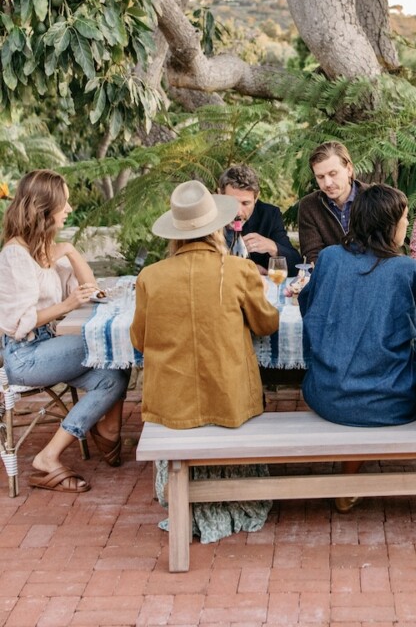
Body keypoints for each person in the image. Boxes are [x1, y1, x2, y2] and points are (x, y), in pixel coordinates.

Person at [0, 170, 129, 493]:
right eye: (65, 203)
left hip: (49, 348)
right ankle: (102, 436)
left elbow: (90, 288)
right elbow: (18, 322)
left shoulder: (44, 247)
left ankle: (52, 454)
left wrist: (70, 250)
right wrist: (68, 304)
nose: (69, 208)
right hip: (24, 355)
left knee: (114, 373)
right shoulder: (16, 254)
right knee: (114, 349)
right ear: (44, 208)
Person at [299, 183, 416, 512]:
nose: (406, 226)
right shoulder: (406, 268)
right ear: (389, 224)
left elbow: (308, 308)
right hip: (392, 401)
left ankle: (350, 478)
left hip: (328, 395)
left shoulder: (328, 259)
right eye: (404, 220)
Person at [130, 180, 279, 429]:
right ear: (217, 228)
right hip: (230, 401)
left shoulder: (149, 275)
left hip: (171, 405)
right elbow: (266, 325)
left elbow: (139, 340)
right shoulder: (240, 269)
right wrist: (258, 294)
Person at [218, 164, 302, 276]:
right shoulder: (205, 216)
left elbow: (296, 266)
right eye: (232, 202)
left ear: (256, 197)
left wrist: (273, 247)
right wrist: (247, 269)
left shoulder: (269, 216)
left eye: (245, 203)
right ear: (220, 194)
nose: (238, 212)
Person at [297, 141, 363, 264]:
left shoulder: (375, 198)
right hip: (330, 280)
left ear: (349, 169)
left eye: (333, 174)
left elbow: (387, 249)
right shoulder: (309, 205)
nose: (327, 183)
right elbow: (312, 256)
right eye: (320, 177)